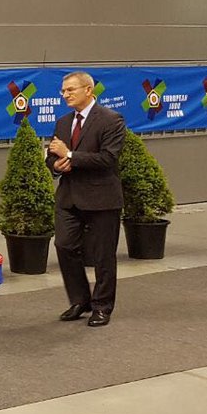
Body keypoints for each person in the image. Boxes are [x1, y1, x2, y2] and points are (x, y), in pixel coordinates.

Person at [47, 70, 126, 327]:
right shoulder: (63, 122)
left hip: (102, 197)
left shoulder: (111, 120)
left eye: (70, 90)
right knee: (64, 245)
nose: (65, 95)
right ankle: (80, 300)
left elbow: (108, 158)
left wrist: (70, 155)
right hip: (69, 197)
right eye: (63, 91)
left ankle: (102, 306)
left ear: (88, 90)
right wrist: (56, 165)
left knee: (103, 255)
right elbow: (52, 155)